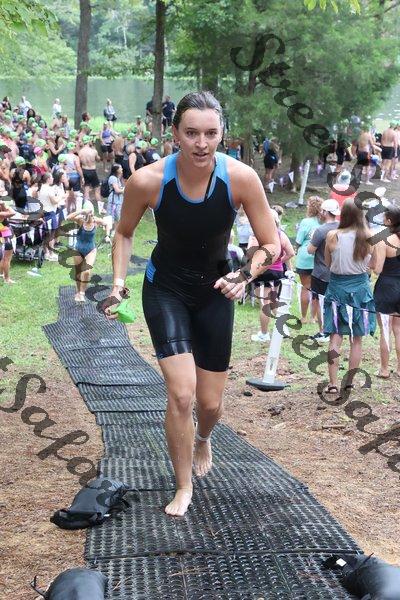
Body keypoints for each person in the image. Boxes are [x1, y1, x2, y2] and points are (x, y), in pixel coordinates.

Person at [104, 91, 280, 517]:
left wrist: (244, 275)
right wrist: (118, 283)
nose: (202, 143)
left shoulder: (241, 178)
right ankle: (183, 485)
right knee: (182, 395)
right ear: (175, 133)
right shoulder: (147, 180)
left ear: (222, 134)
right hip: (165, 288)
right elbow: (124, 233)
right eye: (192, 133)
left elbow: (270, 244)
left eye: (211, 133)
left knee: (210, 404)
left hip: (217, 289)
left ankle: (203, 438)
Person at [323, 200, 376, 393]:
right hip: (360, 289)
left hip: (337, 288)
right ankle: (349, 382)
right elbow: (373, 266)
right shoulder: (370, 236)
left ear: (343, 214)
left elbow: (328, 264)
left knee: (335, 337)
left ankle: (332, 383)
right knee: (357, 339)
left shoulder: (333, 235)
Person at [250, 209, 295, 342]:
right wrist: (278, 261)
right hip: (277, 273)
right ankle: (283, 329)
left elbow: (251, 253)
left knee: (264, 304)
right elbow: (291, 253)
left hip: (263, 273)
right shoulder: (281, 234)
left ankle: (264, 334)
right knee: (274, 301)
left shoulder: (258, 235)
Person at [373, 205, 400, 379]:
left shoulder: (384, 240)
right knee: (399, 330)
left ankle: (384, 369)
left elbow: (377, 269)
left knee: (385, 329)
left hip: (387, 287)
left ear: (389, 221)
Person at [307, 199, 340, 342]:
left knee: (320, 302)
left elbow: (310, 250)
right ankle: (334, 329)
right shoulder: (342, 227)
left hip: (321, 272)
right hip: (338, 272)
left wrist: (311, 239)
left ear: (325, 212)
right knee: (335, 302)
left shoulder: (321, 230)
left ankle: (323, 331)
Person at [67, 206, 107, 302]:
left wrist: (107, 235)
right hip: (78, 249)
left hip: (91, 250)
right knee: (78, 272)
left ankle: (82, 293)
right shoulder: (81, 221)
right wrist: (81, 211)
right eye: (88, 214)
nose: (90, 216)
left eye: (91, 214)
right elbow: (68, 218)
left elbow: (107, 223)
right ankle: (78, 291)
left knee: (87, 272)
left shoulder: (96, 221)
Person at [295, 196, 323, 323]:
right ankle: (314, 317)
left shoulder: (306, 222)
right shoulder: (323, 223)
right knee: (316, 289)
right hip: (319, 258)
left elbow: (298, 241)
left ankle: (304, 317)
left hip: (305, 258)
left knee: (305, 287)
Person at [38, 172, 60, 261]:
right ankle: (51, 254)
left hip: (43, 213)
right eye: (51, 178)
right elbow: (54, 201)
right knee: (51, 234)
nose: (53, 179)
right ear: (48, 179)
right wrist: (61, 197)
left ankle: (46, 252)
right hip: (50, 212)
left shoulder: (41, 188)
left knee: (46, 234)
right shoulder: (49, 189)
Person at [79, 136, 102, 210]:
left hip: (84, 170)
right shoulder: (93, 151)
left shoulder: (80, 152)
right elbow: (98, 159)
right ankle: (101, 208)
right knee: (97, 190)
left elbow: (80, 162)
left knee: (86, 190)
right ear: (89, 141)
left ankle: (86, 208)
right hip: (92, 170)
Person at [106, 163, 124, 239]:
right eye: (120, 168)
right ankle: (109, 232)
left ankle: (115, 230)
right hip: (114, 201)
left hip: (118, 200)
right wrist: (125, 189)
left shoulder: (117, 178)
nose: (122, 169)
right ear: (116, 170)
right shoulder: (113, 178)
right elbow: (117, 190)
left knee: (117, 216)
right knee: (111, 216)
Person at [0, 200, 16, 283]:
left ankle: (1, 274)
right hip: (6, 235)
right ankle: (7, 278)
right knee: (7, 258)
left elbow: (5, 212)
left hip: (2, 234)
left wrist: (3, 205)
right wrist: (5, 204)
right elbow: (13, 213)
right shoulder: (1, 214)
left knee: (3, 258)